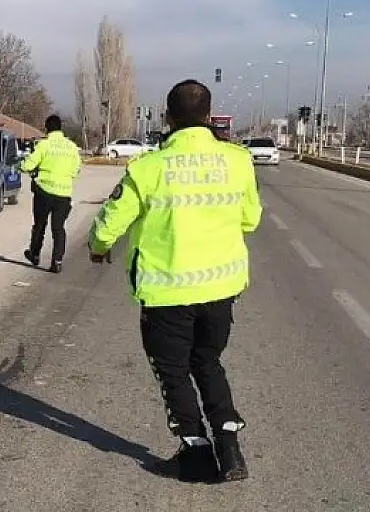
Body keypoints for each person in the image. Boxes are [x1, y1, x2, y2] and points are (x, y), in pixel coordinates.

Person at [87, 79, 261, 484]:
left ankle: (196, 453)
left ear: (167, 116)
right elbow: (250, 219)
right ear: (207, 115)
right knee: (208, 361)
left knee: (174, 372)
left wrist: (98, 247)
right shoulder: (238, 162)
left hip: (167, 293)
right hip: (221, 288)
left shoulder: (148, 168)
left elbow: (111, 222)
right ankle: (230, 445)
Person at [20, 114, 82, 273]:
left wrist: (21, 166)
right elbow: (76, 171)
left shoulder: (44, 145)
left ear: (47, 128)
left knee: (40, 225)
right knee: (58, 228)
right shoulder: (72, 147)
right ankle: (57, 261)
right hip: (64, 194)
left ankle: (34, 254)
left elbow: (27, 165)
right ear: (61, 127)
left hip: (44, 191)